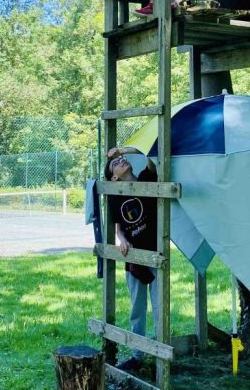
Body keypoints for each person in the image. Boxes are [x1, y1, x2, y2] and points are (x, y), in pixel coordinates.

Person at [104, 146, 159, 372]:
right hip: (133, 258)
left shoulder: (146, 179)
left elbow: (150, 159)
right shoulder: (116, 197)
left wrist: (125, 149)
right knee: (137, 309)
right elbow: (119, 227)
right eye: (116, 163)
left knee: (159, 306)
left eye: (123, 159)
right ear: (114, 177)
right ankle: (138, 355)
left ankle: (161, 351)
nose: (122, 160)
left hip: (156, 253)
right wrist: (122, 239)